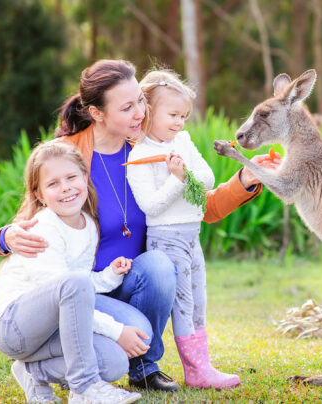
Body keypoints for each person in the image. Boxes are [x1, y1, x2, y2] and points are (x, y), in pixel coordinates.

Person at [0, 59, 279, 391]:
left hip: (130, 278)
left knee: (159, 265)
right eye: (127, 107)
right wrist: (5, 238)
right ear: (98, 113)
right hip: (85, 288)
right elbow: (32, 216)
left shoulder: (150, 148)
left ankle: (144, 368)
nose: (140, 113)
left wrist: (244, 177)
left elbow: (202, 207)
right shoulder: (69, 155)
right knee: (118, 348)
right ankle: (58, 363)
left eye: (140, 101)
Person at [0, 141, 143, 403]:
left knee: (114, 362)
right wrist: (117, 331)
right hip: (15, 327)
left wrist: (109, 276)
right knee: (75, 287)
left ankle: (32, 371)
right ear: (39, 194)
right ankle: (85, 388)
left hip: (53, 330)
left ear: (85, 177)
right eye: (53, 183)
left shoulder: (88, 225)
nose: (66, 188)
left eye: (71, 177)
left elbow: (77, 290)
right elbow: (69, 286)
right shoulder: (44, 227)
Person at [126, 69, 235, 389]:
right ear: (147, 112)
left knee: (199, 299)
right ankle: (197, 371)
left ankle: (201, 367)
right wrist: (177, 179)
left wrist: (184, 173)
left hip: (192, 236)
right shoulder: (140, 157)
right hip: (166, 239)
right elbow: (152, 207)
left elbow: (208, 178)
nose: (179, 123)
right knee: (184, 304)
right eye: (173, 115)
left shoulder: (182, 141)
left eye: (184, 116)